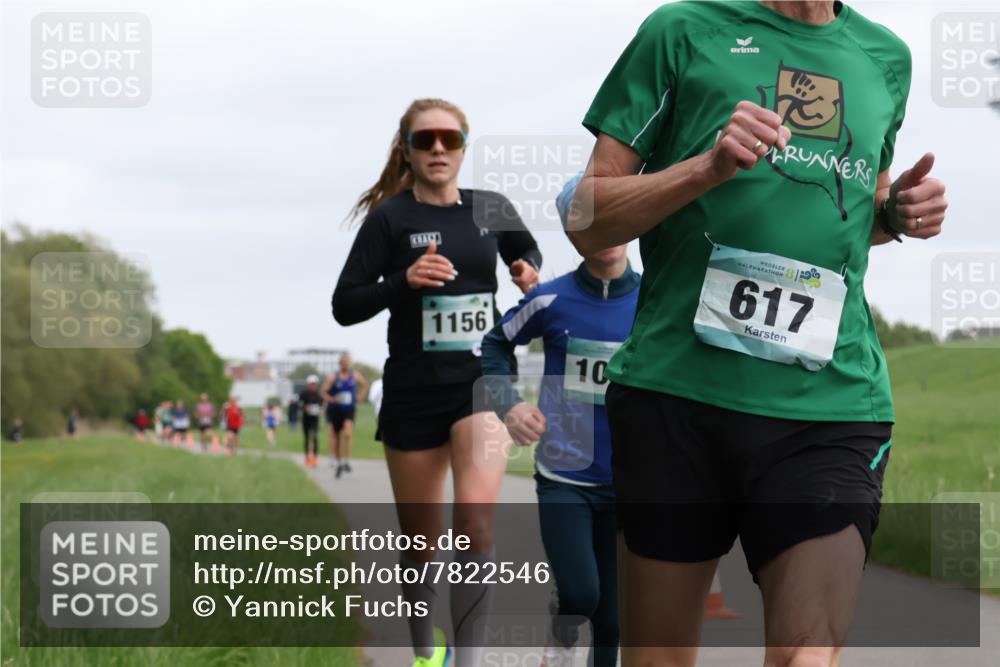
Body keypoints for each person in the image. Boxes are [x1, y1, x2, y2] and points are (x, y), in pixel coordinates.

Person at [568, 2, 948, 665]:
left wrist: (897, 212)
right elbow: (588, 217)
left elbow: (860, 212)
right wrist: (706, 167)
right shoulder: (682, 31)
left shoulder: (885, 57)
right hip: (677, 394)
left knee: (808, 655)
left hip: (829, 404)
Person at [332, 97, 541, 667]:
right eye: (425, 141)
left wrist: (525, 269)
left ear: (465, 145)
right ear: (407, 149)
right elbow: (345, 306)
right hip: (413, 391)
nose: (439, 149)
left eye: (449, 139)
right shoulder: (391, 220)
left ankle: (469, 662)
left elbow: (524, 248)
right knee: (421, 543)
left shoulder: (489, 207)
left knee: (474, 524)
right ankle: (428, 652)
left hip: (483, 382)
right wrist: (402, 280)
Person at [481, 174, 637, 667]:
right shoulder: (550, 300)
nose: (607, 234)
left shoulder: (657, 301)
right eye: (592, 225)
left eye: (617, 220)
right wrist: (509, 404)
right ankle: (562, 626)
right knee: (581, 595)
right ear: (574, 236)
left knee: (613, 619)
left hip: (632, 478)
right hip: (564, 475)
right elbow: (494, 344)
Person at [321, 353, 369, 477]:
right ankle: (337, 460)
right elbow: (323, 392)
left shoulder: (354, 375)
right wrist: (331, 399)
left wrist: (360, 397)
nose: (346, 365)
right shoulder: (333, 377)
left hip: (349, 409)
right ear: (340, 363)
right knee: (335, 436)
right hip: (335, 410)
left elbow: (365, 384)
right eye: (343, 363)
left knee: (348, 432)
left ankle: (347, 459)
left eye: (348, 363)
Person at [299, 376, 324, 467]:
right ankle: (307, 457)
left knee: (314, 437)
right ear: (308, 384)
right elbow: (300, 405)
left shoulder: (318, 395)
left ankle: (315, 457)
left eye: (314, 384)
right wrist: (305, 407)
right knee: (306, 438)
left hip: (315, 419)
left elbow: (322, 406)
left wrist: (321, 411)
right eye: (311, 384)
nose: (313, 386)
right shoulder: (303, 394)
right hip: (306, 419)